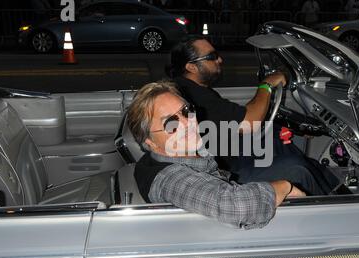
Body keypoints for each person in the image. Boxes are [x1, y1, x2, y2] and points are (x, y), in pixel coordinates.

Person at [167, 37, 340, 196]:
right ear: (191, 67)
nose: (220, 60)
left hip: (228, 153)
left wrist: (294, 126)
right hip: (223, 172)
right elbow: (249, 122)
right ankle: (336, 208)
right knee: (298, 170)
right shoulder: (192, 94)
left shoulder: (194, 89)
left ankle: (338, 192)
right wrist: (266, 86)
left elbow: (235, 117)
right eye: (212, 57)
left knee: (279, 142)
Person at [127, 81, 306, 229]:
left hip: (226, 194)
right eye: (170, 122)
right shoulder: (170, 179)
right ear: (149, 142)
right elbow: (235, 207)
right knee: (296, 170)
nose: (187, 122)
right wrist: (284, 187)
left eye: (185, 110)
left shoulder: (172, 156)